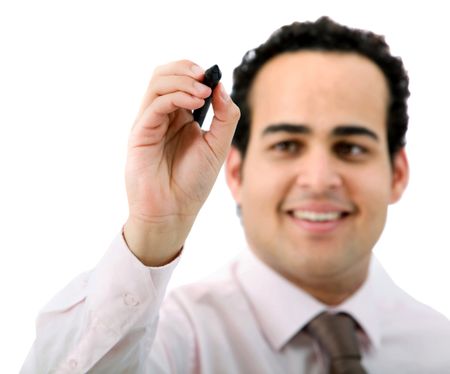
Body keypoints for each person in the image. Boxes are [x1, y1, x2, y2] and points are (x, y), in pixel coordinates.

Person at [21, 16, 450, 373]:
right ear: (237, 171)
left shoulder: (439, 350)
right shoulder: (168, 341)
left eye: (351, 148)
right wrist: (153, 231)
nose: (319, 179)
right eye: (286, 145)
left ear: (397, 173)